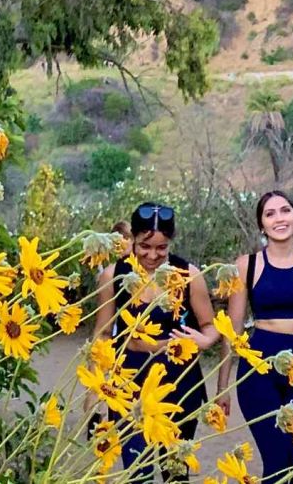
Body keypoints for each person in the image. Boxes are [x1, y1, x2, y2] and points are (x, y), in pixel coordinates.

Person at [216, 191, 293, 483]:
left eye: (285, 210)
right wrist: (222, 388)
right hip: (260, 369)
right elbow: (233, 329)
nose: (279, 218)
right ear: (261, 224)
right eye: (270, 214)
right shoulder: (247, 265)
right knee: (277, 460)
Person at [92, 203, 219, 482]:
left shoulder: (189, 275)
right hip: (129, 380)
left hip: (179, 380)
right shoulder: (114, 275)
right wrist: (95, 390)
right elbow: (102, 334)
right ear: (133, 240)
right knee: (137, 470)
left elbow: (211, 327)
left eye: (161, 248)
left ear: (171, 242)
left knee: (175, 471)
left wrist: (204, 340)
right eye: (144, 246)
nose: (152, 255)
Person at [84, 220, 133, 425]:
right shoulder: (111, 274)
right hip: (115, 343)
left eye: (127, 239)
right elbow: (103, 326)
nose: (123, 245)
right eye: (118, 242)